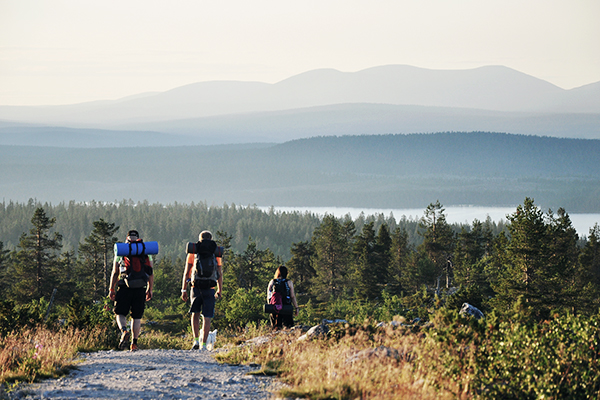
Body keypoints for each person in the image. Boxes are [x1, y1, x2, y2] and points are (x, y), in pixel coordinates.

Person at [108, 230, 154, 352]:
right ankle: (134, 343)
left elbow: (115, 272)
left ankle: (124, 331)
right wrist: (150, 289)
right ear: (138, 238)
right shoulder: (144, 251)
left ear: (127, 238)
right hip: (140, 288)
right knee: (136, 317)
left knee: (120, 313)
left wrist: (111, 288)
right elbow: (150, 273)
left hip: (124, 286)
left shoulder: (122, 251)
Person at [181, 230, 223, 350]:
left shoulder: (194, 251)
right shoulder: (215, 253)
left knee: (195, 314)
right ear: (211, 239)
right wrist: (220, 289)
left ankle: (195, 341)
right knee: (207, 316)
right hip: (210, 287)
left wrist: (183, 289)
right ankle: (204, 344)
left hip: (196, 287)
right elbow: (219, 273)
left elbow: (187, 272)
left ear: (200, 239)